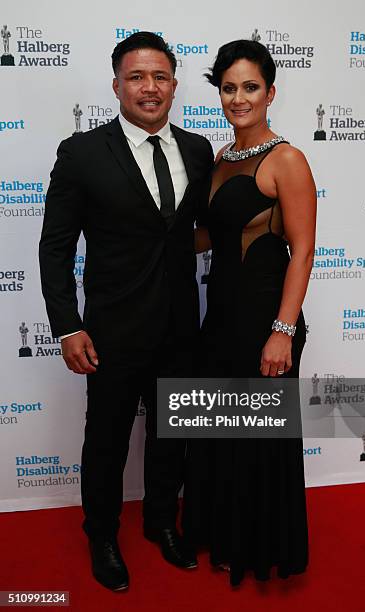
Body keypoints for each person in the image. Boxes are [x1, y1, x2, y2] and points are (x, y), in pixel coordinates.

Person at [39, 31, 213, 591]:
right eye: (137, 76)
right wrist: (67, 324)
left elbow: (194, 233)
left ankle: (162, 523)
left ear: (175, 86)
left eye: (160, 76)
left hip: (182, 326)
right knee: (107, 441)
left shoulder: (197, 148)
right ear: (116, 85)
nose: (149, 87)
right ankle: (103, 534)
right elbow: (56, 247)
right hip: (112, 330)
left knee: (171, 435)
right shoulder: (83, 152)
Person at [182, 39, 316, 586]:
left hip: (266, 321)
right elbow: (208, 238)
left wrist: (282, 332)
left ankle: (259, 546)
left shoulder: (287, 159)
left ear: (271, 92)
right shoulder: (220, 159)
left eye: (250, 87)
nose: (238, 98)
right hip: (222, 319)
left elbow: (302, 251)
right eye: (229, 87)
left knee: (258, 438)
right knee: (222, 432)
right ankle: (224, 534)